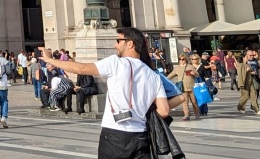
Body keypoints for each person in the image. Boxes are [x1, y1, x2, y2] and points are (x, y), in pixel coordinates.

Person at [42, 27, 169, 159]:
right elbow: (164, 110)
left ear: (130, 43)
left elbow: (81, 68)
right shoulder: (153, 75)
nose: (115, 45)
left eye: (118, 41)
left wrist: (50, 60)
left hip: (115, 136)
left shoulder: (116, 63)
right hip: (141, 136)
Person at [236, 51, 260, 115]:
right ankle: (240, 107)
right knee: (245, 96)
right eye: (247, 56)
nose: (250, 57)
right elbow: (240, 75)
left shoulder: (247, 64)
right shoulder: (240, 65)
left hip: (251, 82)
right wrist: (246, 71)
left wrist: (251, 72)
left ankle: (256, 109)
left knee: (254, 95)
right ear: (244, 57)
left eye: (252, 55)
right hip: (244, 82)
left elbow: (251, 71)